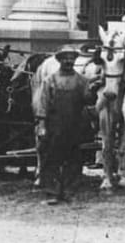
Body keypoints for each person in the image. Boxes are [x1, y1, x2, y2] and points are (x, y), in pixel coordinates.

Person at [35, 45, 96, 206]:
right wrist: (41, 125)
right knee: (52, 159)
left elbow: (88, 100)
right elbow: (43, 103)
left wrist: (93, 90)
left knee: (74, 160)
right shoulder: (50, 80)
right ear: (59, 60)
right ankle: (52, 192)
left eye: (71, 58)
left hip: (75, 126)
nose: (69, 61)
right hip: (54, 126)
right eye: (65, 58)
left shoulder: (82, 81)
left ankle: (70, 192)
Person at [96, 29, 125, 189]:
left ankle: (123, 172)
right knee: (107, 137)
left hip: (121, 84)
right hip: (109, 89)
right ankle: (107, 174)